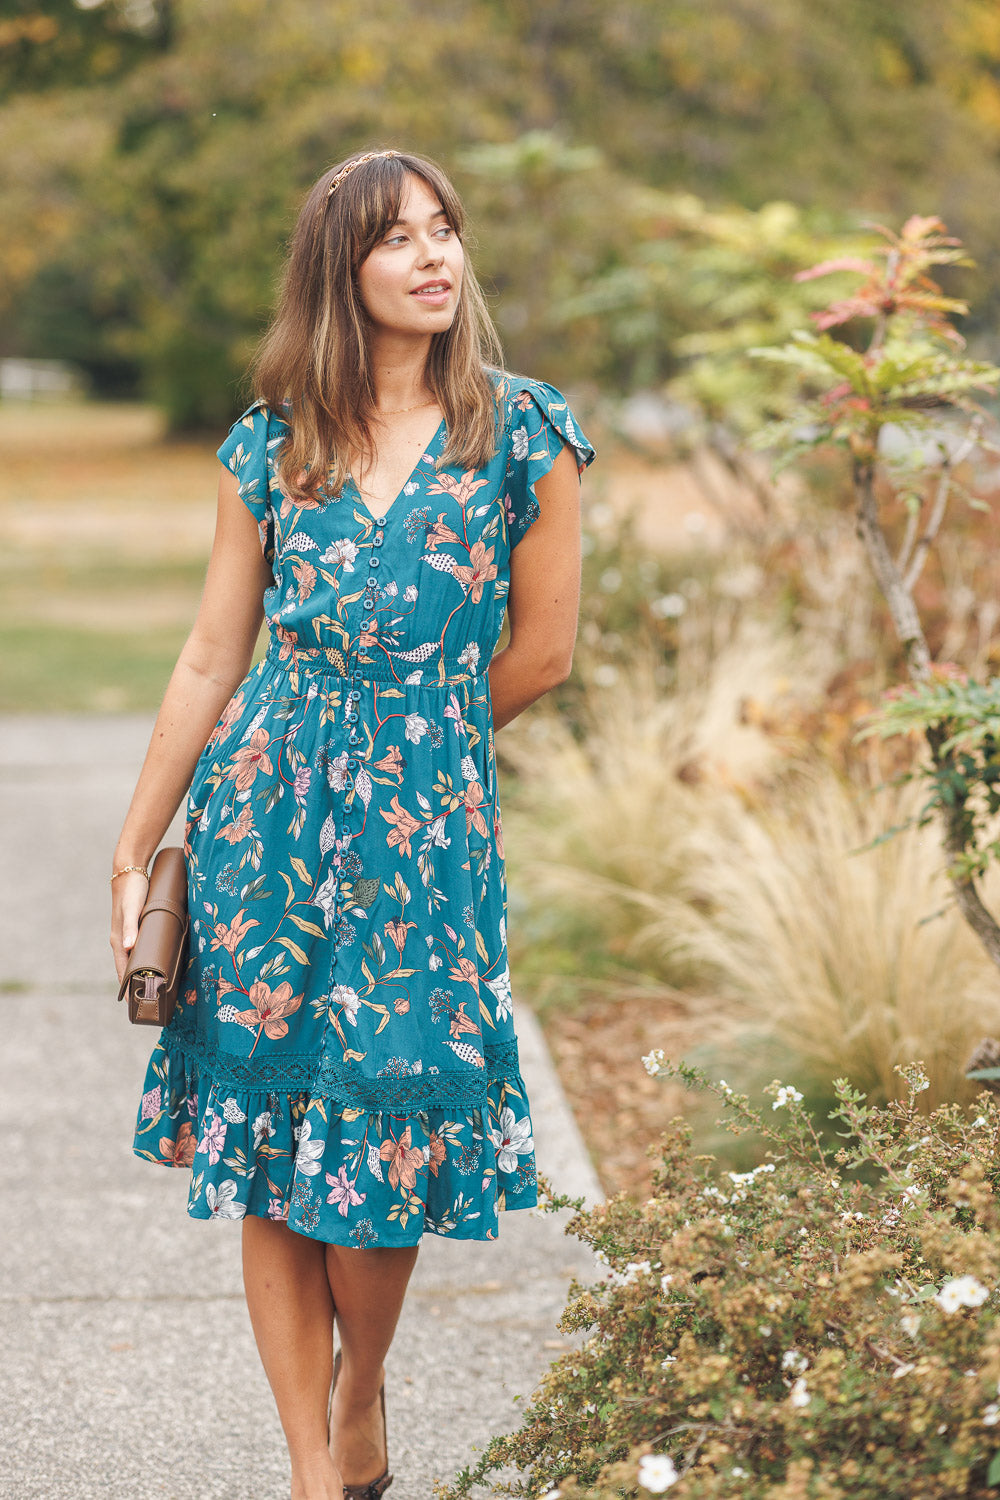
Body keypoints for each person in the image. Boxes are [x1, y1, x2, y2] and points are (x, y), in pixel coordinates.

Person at [110, 147, 594, 1500]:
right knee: (272, 1144)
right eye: (398, 238)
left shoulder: (523, 434)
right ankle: (314, 1473)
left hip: (426, 842)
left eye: (445, 230)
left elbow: (543, 653)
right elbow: (215, 654)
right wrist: (138, 843)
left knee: (384, 1134)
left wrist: (412, 748)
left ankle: (360, 1388)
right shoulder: (270, 444)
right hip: (262, 824)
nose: (434, 257)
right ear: (342, 268)